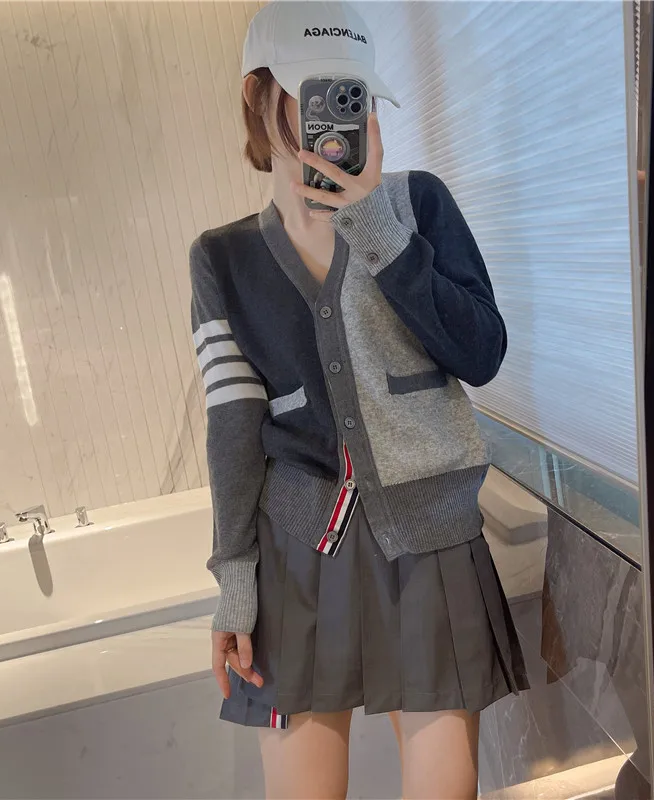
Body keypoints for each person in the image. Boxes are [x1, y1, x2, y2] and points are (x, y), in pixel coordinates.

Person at [189, 2, 528, 797]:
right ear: (257, 94)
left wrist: (375, 225)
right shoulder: (222, 258)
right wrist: (235, 583)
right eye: (316, 92)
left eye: (354, 94)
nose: (337, 116)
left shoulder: (418, 205)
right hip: (297, 554)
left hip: (429, 539)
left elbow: (481, 352)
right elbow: (233, 430)